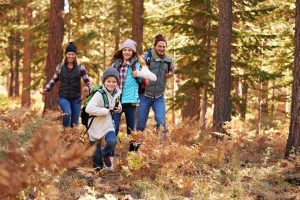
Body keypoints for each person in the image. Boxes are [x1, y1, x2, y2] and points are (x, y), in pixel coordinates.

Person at [110, 38, 157, 150]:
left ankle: (133, 157)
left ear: (133, 52)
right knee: (113, 128)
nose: (127, 52)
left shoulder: (138, 65)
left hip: (131, 102)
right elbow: (108, 80)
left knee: (132, 131)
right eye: (125, 50)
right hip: (117, 102)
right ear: (121, 51)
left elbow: (153, 77)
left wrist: (139, 74)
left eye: (129, 50)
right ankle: (110, 155)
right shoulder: (115, 64)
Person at [44, 42, 90, 128]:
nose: (71, 56)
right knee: (67, 113)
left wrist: (87, 87)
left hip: (76, 98)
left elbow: (87, 81)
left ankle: (71, 139)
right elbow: (54, 79)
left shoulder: (81, 68)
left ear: (75, 55)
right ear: (66, 55)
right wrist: (47, 88)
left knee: (75, 123)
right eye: (69, 54)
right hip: (63, 97)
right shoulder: (60, 67)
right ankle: (65, 130)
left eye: (73, 54)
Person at [137, 34, 175, 137]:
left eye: (164, 47)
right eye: (159, 46)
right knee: (140, 125)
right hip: (144, 96)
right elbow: (139, 59)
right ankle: (135, 149)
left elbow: (173, 67)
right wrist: (144, 67)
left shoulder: (168, 59)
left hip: (159, 97)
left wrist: (172, 72)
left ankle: (160, 149)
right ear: (155, 46)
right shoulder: (148, 55)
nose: (162, 49)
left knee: (161, 123)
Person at [85, 68, 122, 171]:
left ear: (117, 82)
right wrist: (104, 111)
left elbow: (116, 104)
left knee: (112, 141)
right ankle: (97, 170)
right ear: (104, 82)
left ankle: (105, 154)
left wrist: (119, 108)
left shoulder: (117, 92)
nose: (111, 84)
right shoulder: (99, 93)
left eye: (114, 81)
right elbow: (89, 109)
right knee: (96, 154)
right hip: (95, 124)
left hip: (107, 124)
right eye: (108, 81)